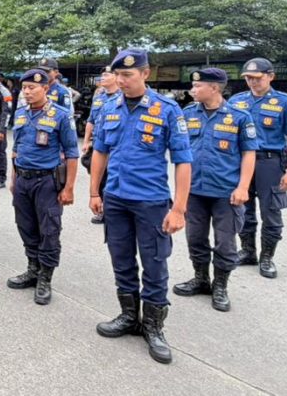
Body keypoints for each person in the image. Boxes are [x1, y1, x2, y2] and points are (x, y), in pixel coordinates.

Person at [90, 48, 192, 365]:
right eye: (117, 75)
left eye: (128, 75)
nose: (121, 81)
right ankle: (128, 316)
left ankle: (154, 327)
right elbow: (100, 152)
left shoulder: (168, 110)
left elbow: (183, 161)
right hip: (116, 199)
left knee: (155, 263)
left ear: (145, 74)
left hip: (151, 201)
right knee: (121, 259)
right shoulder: (109, 107)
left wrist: (179, 209)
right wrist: (95, 192)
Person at [174, 68, 257, 311]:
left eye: (198, 86)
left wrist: (243, 187)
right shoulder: (187, 113)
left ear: (214, 88)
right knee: (195, 238)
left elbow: (249, 154)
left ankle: (220, 285)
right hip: (195, 190)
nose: (193, 89)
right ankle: (201, 279)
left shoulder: (239, 117)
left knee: (225, 243)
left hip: (226, 192)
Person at [7, 69, 79, 304]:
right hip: (23, 179)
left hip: (47, 181)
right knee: (26, 226)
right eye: (25, 88)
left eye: (32, 88)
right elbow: (15, 149)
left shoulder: (60, 115)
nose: (27, 92)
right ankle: (32, 268)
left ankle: (45, 278)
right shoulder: (20, 114)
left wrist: (68, 188)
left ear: (45, 89)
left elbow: (71, 153)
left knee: (49, 230)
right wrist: (13, 177)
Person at [229, 57, 287, 278]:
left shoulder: (286, 102)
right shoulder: (236, 101)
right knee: (243, 208)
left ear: (271, 76)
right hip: (242, 162)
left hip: (270, 161)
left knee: (271, 212)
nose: (252, 82)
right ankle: (248, 251)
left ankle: (267, 257)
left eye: (257, 78)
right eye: (248, 78)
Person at [82, 66, 121, 224]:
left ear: (115, 77)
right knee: (98, 176)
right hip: (99, 144)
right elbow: (91, 120)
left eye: (106, 75)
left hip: (115, 146)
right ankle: (101, 209)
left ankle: (112, 210)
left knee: (113, 178)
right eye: (102, 75)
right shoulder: (99, 97)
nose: (102, 78)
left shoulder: (122, 97)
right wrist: (86, 141)